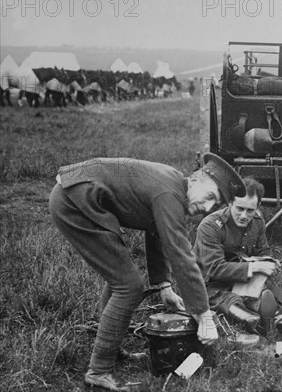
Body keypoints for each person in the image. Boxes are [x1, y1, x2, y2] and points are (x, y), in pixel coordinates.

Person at [49, 153, 245, 391]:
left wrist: (164, 286)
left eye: (215, 205)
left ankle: (112, 349)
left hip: (78, 193)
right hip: (74, 201)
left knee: (120, 277)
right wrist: (203, 314)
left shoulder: (174, 186)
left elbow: (156, 231)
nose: (207, 208)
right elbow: (181, 256)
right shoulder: (169, 194)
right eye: (210, 197)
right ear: (195, 180)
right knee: (129, 285)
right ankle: (99, 370)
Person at [194, 177, 282, 333]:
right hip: (209, 282)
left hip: (241, 280)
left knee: (267, 291)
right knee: (227, 299)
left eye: (250, 210)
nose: (244, 215)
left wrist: (270, 263)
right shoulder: (211, 226)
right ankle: (251, 319)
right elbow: (214, 268)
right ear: (230, 202)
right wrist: (255, 266)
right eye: (240, 208)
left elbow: (262, 252)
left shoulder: (257, 223)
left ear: (258, 206)